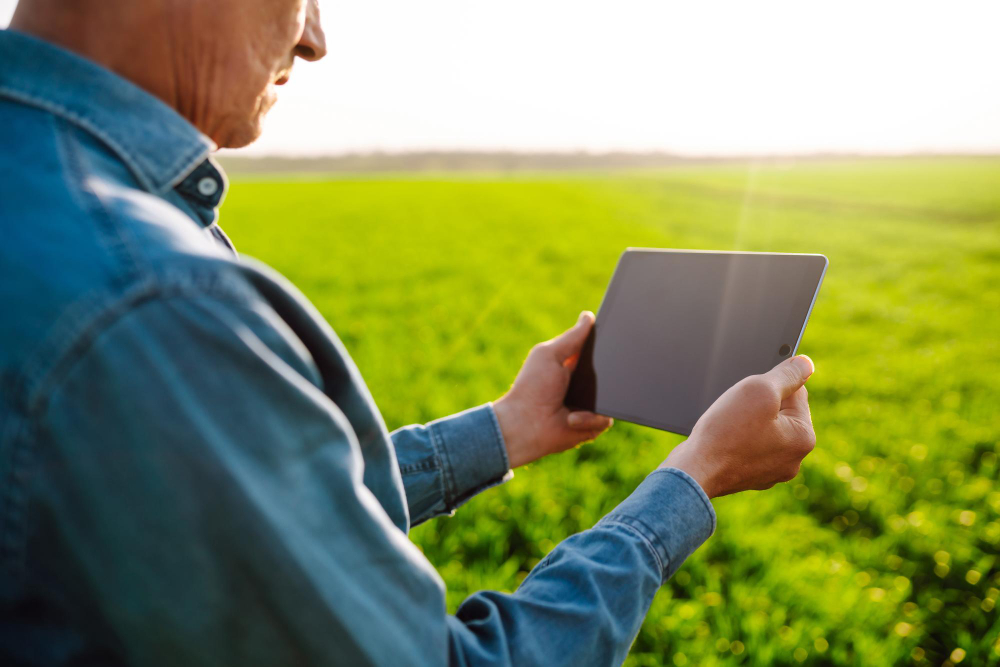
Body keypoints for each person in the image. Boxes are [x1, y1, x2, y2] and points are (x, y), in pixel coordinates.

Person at [0, 1, 817, 665]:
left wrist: (503, 431)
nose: (314, 37)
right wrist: (691, 480)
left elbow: (263, 517)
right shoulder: (146, 299)